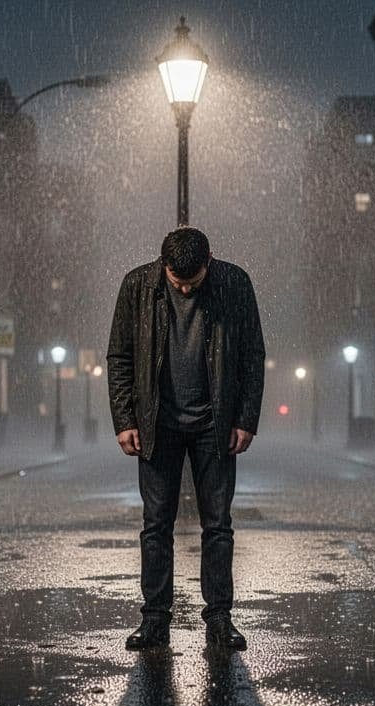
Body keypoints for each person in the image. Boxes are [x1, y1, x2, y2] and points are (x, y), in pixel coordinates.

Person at [106, 227, 266, 651]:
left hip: (215, 424)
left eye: (192, 282)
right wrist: (125, 418)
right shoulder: (137, 285)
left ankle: (219, 620)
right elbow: (120, 356)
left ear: (209, 262)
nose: (184, 288)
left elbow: (252, 354)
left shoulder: (234, 284)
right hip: (158, 424)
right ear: (164, 265)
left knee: (218, 526)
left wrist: (246, 418)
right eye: (177, 281)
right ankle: (155, 620)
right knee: (155, 526)